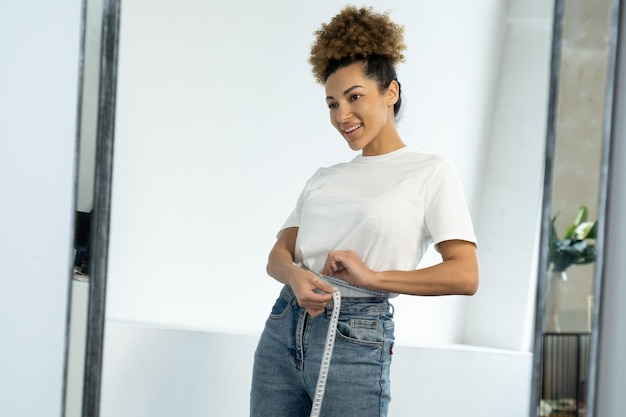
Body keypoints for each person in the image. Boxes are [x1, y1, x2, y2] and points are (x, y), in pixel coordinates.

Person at [250, 6, 479, 417]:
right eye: (332, 103)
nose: (342, 116)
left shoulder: (430, 171)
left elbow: (465, 273)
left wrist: (373, 278)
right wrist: (296, 277)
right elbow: (278, 256)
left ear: (390, 92)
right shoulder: (324, 177)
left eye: (355, 97)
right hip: (284, 324)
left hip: (356, 334)